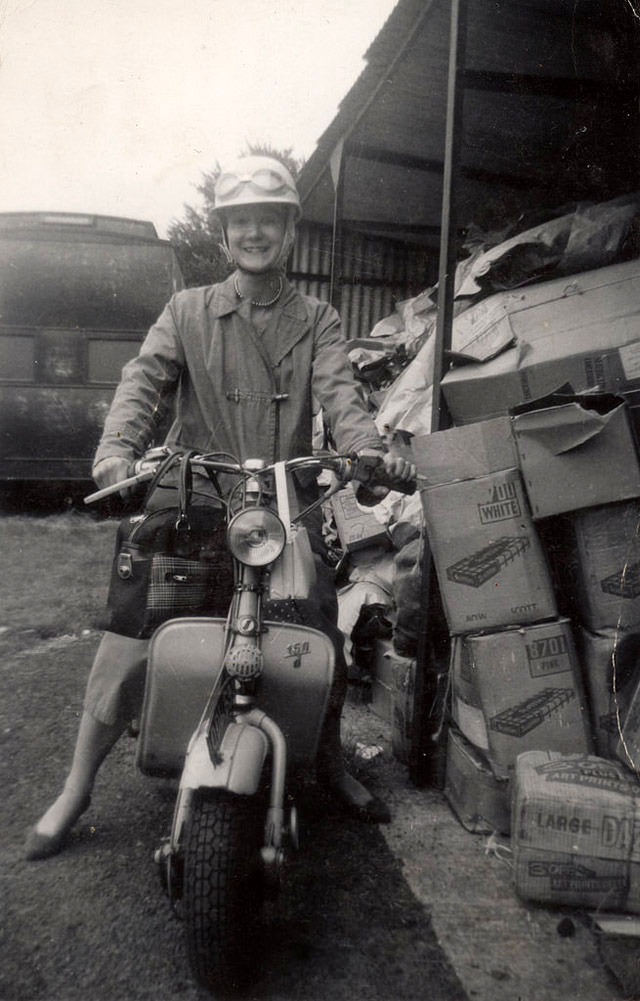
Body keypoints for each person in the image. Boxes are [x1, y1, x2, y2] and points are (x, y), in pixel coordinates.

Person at [25, 155, 415, 861]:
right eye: (242, 220)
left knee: (316, 616)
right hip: (194, 489)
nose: (255, 232)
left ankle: (326, 760)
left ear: (290, 231)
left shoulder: (319, 319)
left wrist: (366, 449)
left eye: (269, 218)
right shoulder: (188, 310)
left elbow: (342, 397)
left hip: (282, 499)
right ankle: (77, 784)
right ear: (225, 231)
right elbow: (143, 378)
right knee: (135, 620)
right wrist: (117, 448)